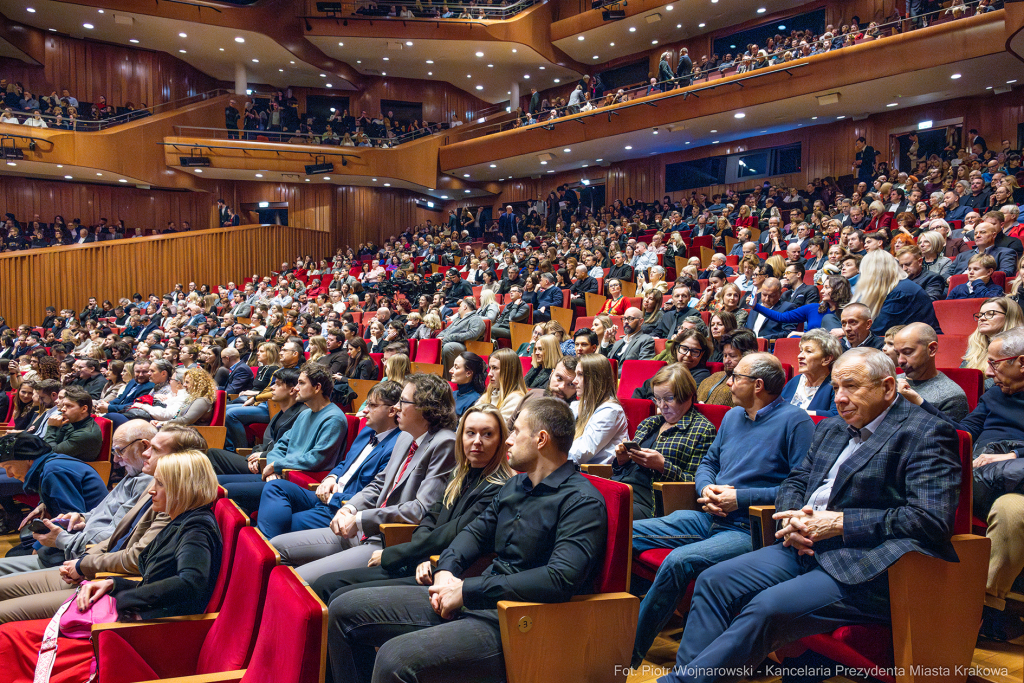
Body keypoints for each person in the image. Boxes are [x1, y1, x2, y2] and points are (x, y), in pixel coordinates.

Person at [665, 348, 960, 683]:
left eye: (851, 387)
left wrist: (839, 523)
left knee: (766, 608)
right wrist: (790, 515)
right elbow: (797, 479)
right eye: (835, 388)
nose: (840, 398)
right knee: (714, 581)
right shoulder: (833, 428)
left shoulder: (926, 433)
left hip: (863, 561)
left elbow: (930, 519)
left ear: (888, 387)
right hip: (802, 544)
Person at [325, 397, 606, 683]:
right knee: (342, 610)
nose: (508, 441)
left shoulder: (581, 501)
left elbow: (560, 579)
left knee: (393, 657)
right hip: (478, 598)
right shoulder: (516, 485)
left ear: (541, 439)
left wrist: (468, 590)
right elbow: (474, 533)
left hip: (521, 621)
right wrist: (446, 572)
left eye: (516, 432)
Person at [629, 353, 815, 668]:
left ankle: (625, 652)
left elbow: (799, 488)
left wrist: (740, 498)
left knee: (678, 561)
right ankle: (593, 619)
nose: (728, 382)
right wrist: (706, 488)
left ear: (757, 385)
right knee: (625, 531)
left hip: (750, 527)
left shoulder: (796, 422)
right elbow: (709, 463)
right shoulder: (732, 417)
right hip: (708, 515)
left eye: (735, 377)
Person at [0, 450, 223, 681]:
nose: (152, 489)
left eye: (161, 484)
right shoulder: (182, 518)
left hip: (144, 634)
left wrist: (123, 601)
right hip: (133, 619)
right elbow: (156, 580)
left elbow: (190, 583)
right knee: (10, 637)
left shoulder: (196, 527)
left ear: (183, 488)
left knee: (9, 640)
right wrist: (112, 583)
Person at [308, 403, 513, 605]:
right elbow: (430, 519)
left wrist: (397, 555)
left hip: (448, 574)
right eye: (470, 433)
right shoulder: (459, 474)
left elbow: (454, 532)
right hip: (421, 560)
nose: (477, 441)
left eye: (487, 434)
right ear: (462, 438)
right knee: (326, 584)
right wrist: (420, 555)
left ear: (500, 441)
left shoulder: (499, 487)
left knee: (339, 596)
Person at [272, 374, 457, 584]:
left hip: (386, 541)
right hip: (360, 530)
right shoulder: (406, 436)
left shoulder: (444, 444)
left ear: (426, 408)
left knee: (297, 581)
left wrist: (361, 519)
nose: (396, 407)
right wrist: (349, 509)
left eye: (403, 401)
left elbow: (419, 509)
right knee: (275, 547)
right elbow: (379, 484)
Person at [254, 381, 402, 540]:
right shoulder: (368, 431)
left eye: (372, 405)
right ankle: (267, 547)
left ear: (391, 411)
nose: (364, 410)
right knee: (275, 486)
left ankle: (265, 550)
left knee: (278, 525)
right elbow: (346, 463)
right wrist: (331, 477)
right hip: (326, 494)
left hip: (341, 508)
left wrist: (333, 498)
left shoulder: (396, 447)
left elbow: (374, 494)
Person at [214, 363, 347, 513]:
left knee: (226, 490)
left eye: (301, 383)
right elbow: (282, 444)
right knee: (217, 482)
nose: (296, 388)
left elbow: (316, 458)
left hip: (299, 482)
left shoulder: (334, 418)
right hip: (282, 475)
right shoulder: (305, 413)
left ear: (317, 388)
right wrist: (275, 466)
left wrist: (277, 465)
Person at [615, 364, 716, 520]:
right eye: (658, 399)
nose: (662, 406)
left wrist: (663, 466)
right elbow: (624, 469)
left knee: (602, 514)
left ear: (688, 394)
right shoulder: (650, 423)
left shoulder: (702, 430)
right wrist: (622, 460)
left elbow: (698, 485)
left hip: (653, 502)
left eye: (669, 398)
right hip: (623, 488)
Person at [893, 323, 969, 421]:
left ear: (932, 349)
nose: (900, 361)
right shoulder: (891, 382)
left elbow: (949, 433)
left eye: (907, 352)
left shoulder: (952, 395)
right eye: (897, 354)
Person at [569, 354, 628, 464]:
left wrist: (550, 458)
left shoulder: (611, 411)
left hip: (595, 476)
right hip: (575, 471)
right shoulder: (576, 406)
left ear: (595, 379)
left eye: (580, 375)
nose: (574, 381)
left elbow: (581, 453)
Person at [962, 297, 1024, 391]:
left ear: (1009, 317)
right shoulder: (976, 346)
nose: (982, 318)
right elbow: (960, 377)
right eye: (981, 315)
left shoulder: (1019, 347)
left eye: (990, 314)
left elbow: (999, 385)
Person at [779, 328, 841, 416]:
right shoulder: (795, 381)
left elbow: (836, 415)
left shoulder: (836, 385)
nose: (799, 356)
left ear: (826, 359)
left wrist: (796, 414)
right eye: (801, 351)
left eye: (808, 351)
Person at [696, 329, 758, 406]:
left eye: (732, 356)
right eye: (725, 356)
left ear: (748, 356)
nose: (726, 361)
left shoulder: (751, 387)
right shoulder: (711, 379)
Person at [42, 386, 103, 461]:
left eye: (69, 406)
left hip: (71, 470)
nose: (63, 409)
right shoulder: (71, 421)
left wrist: (51, 427)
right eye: (64, 405)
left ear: (84, 409)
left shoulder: (85, 434)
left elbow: (51, 454)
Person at [477, 348, 527, 424]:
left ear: (508, 371)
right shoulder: (488, 395)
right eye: (490, 368)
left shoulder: (515, 399)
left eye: (495, 368)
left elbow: (495, 429)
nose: (489, 374)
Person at [439, 297, 486, 371]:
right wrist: (439, 337)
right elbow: (446, 330)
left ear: (465, 307)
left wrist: (449, 338)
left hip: (466, 345)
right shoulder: (457, 319)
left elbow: (473, 334)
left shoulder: (476, 319)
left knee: (449, 347)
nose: (458, 309)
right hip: (449, 341)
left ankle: (448, 379)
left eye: (460, 306)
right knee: (426, 344)